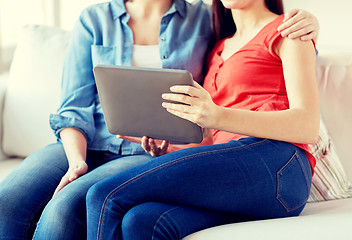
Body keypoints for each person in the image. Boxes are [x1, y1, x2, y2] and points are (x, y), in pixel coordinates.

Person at [0, 0, 318, 239]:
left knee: (102, 195)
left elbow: (307, 126)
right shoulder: (220, 45)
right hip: (227, 168)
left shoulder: (288, 29)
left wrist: (216, 114)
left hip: (276, 163)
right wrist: (167, 147)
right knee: (140, 221)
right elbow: (208, 137)